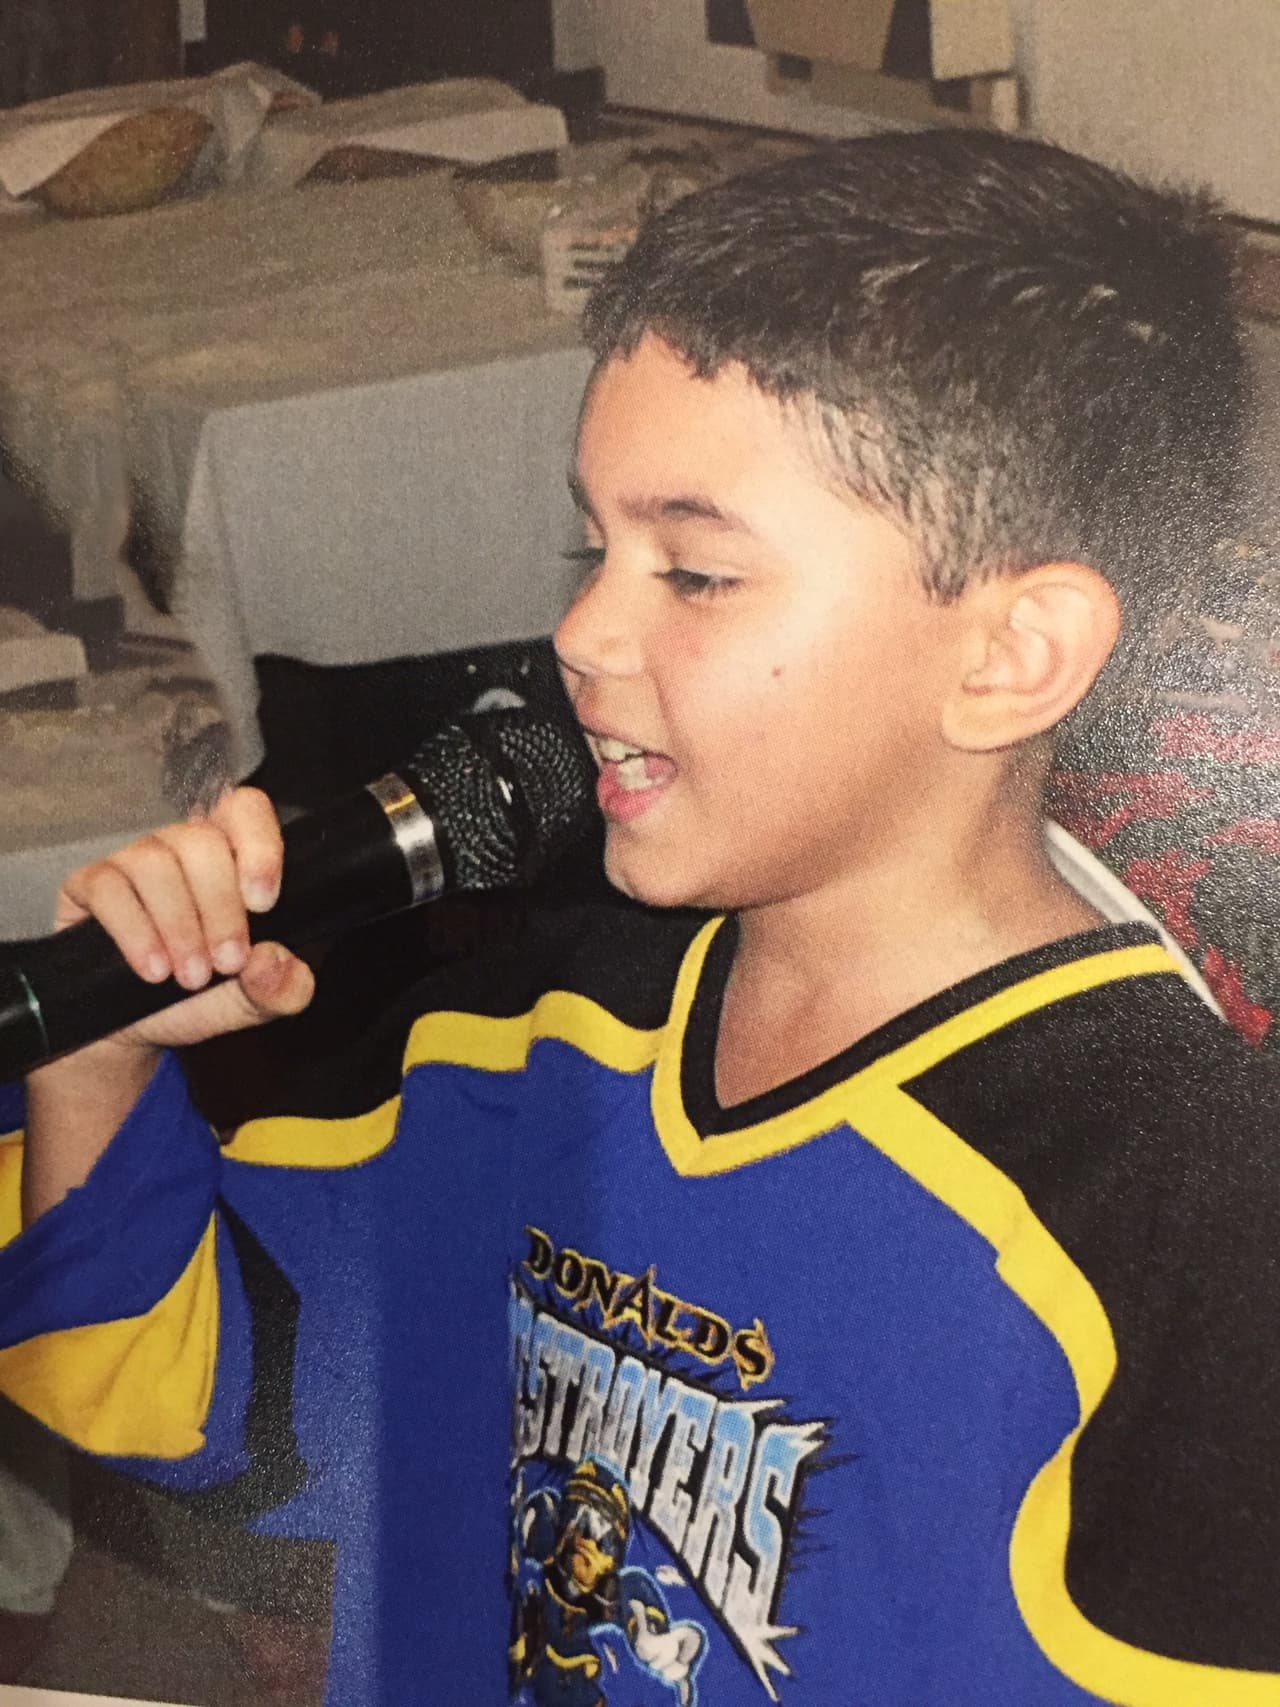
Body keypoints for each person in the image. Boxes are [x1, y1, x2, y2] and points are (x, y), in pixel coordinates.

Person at [1, 130, 1277, 1705]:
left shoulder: (1184, 1217)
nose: (580, 632)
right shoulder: (534, 1031)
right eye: (592, 546)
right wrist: (100, 1063)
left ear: (1013, 654)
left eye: (695, 573)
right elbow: (207, 1408)